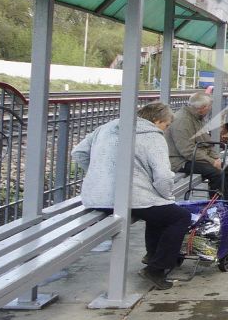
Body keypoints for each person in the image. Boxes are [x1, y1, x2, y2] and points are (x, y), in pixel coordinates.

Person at [72, 101, 193, 291]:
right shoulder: (153, 136)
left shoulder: (107, 127)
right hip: (126, 199)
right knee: (179, 216)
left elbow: (78, 152)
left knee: (159, 211)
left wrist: (101, 175)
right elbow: (162, 176)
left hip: (96, 197)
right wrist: (167, 196)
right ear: (157, 121)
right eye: (167, 125)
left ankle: (153, 256)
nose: (166, 129)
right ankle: (156, 268)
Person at [168, 90, 228, 203]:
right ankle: (215, 207)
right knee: (217, 173)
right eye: (209, 106)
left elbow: (206, 142)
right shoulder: (182, 121)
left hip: (194, 157)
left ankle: (225, 204)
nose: (210, 108)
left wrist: (216, 158)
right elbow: (187, 151)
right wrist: (212, 161)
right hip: (179, 161)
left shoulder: (197, 117)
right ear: (202, 108)